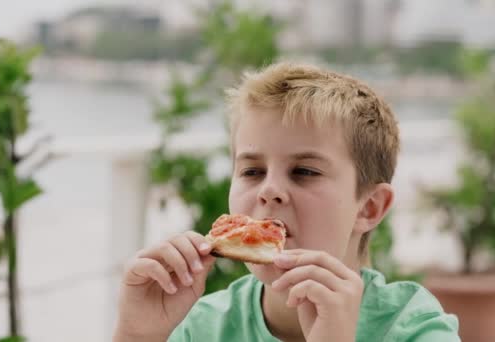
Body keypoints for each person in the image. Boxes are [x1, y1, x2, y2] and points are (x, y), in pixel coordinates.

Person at [112, 62, 460, 342]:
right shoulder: (202, 326)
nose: (269, 189)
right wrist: (137, 335)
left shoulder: (414, 327)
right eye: (252, 171)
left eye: (304, 171)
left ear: (369, 208)